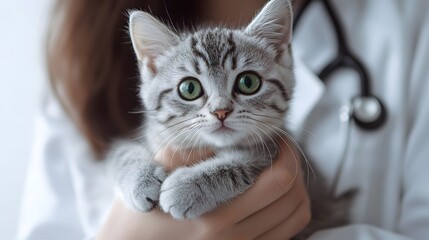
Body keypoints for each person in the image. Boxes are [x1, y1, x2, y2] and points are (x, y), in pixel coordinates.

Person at [18, 0, 429, 239]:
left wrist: (224, 180)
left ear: (280, 52)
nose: (220, 109)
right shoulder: (81, 52)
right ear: (151, 66)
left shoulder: (409, 20)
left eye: (246, 82)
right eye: (191, 89)